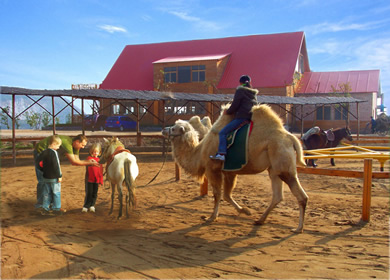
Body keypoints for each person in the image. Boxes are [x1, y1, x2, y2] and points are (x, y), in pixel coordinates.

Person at [34, 134, 99, 211]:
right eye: (82, 145)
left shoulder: (75, 146)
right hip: (41, 151)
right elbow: (74, 162)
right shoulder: (67, 144)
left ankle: (50, 204)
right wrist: (90, 163)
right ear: (77, 142)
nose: (83, 147)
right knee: (43, 180)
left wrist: (88, 161)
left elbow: (77, 160)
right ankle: (41, 205)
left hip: (50, 156)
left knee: (50, 182)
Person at [210, 75, 258, 161]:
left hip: (241, 118)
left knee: (222, 133)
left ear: (240, 83)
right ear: (250, 82)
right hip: (250, 118)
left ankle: (221, 154)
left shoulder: (240, 90)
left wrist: (227, 111)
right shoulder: (253, 93)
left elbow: (235, 105)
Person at [36, 135, 63, 215]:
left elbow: (38, 163)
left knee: (46, 193)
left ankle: (45, 208)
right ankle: (56, 208)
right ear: (54, 144)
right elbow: (56, 165)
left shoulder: (43, 152)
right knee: (56, 192)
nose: (58, 147)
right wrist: (59, 175)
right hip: (54, 178)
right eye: (58, 145)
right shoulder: (54, 153)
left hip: (45, 177)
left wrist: (43, 170)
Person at [82, 143, 104, 213]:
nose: (95, 153)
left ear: (99, 152)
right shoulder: (89, 159)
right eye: (94, 152)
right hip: (89, 180)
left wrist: (101, 181)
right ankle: (86, 206)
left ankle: (92, 205)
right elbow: (87, 162)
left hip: (96, 180)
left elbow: (101, 172)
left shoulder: (99, 161)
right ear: (91, 152)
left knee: (95, 193)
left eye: (96, 152)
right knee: (89, 193)